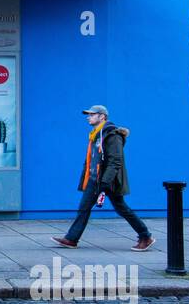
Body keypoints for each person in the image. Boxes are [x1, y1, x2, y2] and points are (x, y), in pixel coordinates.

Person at [53, 105, 155, 251]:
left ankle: (145, 236)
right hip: (95, 179)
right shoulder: (96, 134)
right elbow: (92, 159)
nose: (88, 117)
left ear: (102, 116)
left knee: (122, 209)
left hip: (108, 181)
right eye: (88, 115)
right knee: (84, 208)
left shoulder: (112, 135)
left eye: (92, 114)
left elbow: (115, 161)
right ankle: (71, 239)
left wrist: (105, 182)